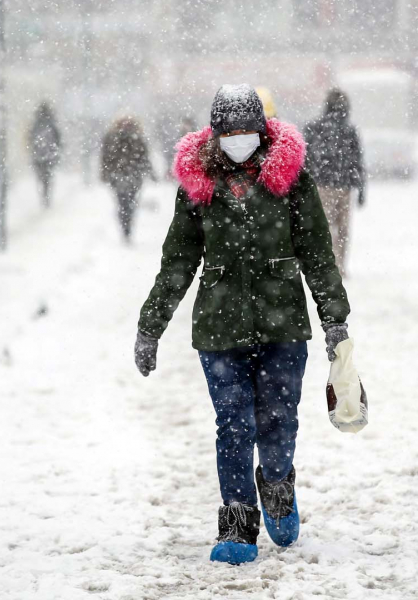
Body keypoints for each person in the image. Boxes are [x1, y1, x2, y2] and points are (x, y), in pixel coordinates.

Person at [134, 84, 352, 565]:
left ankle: (276, 485)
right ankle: (236, 525)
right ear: (215, 133)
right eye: (229, 132)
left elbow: (318, 255)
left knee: (278, 419)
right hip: (219, 327)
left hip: (284, 325)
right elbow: (177, 260)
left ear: (262, 130)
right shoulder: (198, 185)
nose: (238, 139)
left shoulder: (291, 180)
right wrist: (151, 326)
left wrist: (335, 321)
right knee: (233, 424)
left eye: (246, 131)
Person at [303, 88, 366, 275]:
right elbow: (357, 161)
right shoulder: (349, 131)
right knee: (342, 230)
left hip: (322, 185)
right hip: (344, 187)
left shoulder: (314, 127)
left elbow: (305, 160)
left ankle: (329, 264)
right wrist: (361, 188)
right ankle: (339, 265)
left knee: (325, 228)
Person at [100, 115, 152, 243]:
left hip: (122, 175)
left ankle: (126, 226)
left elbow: (105, 157)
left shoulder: (113, 137)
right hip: (129, 175)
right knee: (128, 203)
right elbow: (144, 157)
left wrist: (105, 172)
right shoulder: (135, 137)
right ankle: (126, 226)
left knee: (124, 203)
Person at [28, 102, 62, 208]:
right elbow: (58, 138)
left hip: (38, 155)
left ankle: (44, 194)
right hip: (49, 155)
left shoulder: (36, 123)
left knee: (42, 176)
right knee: (48, 176)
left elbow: (31, 138)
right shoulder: (51, 123)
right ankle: (46, 194)